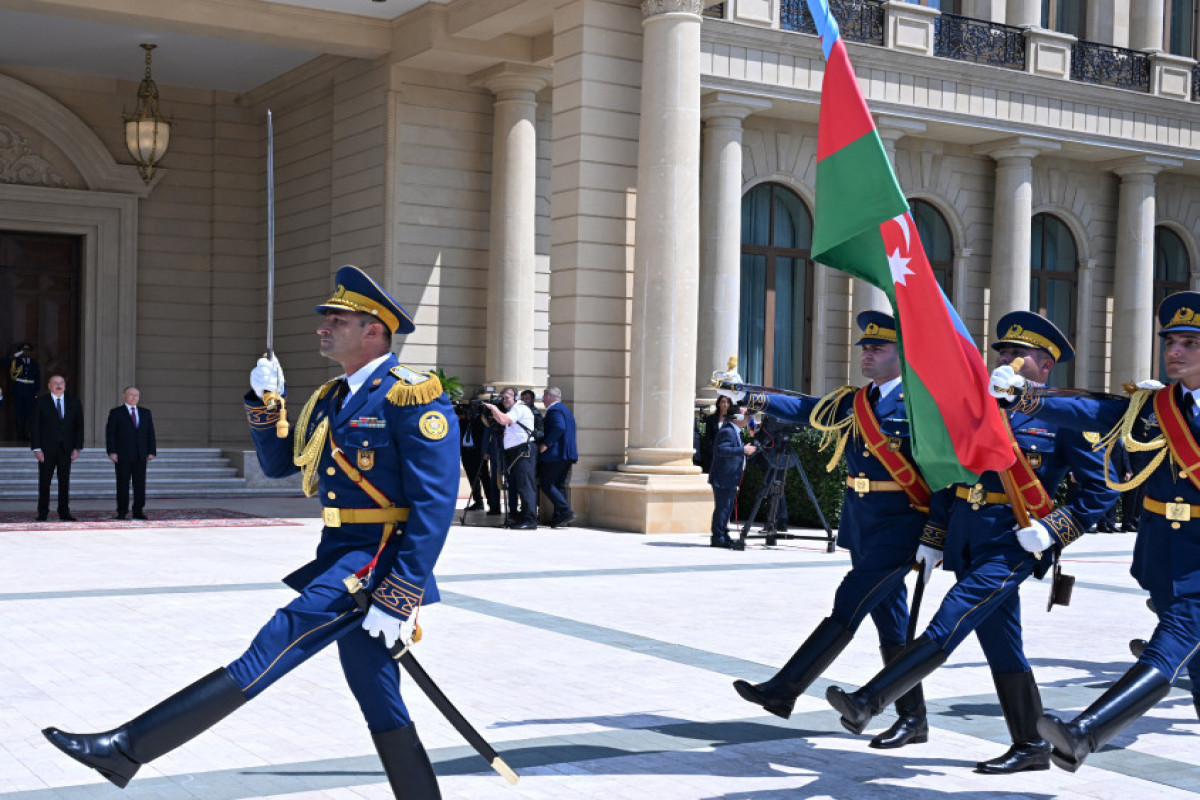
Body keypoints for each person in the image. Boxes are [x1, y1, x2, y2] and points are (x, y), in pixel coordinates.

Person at [42, 265, 459, 798]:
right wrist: (266, 406)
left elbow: (435, 502)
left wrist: (401, 595)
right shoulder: (334, 397)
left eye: (336, 318)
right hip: (342, 553)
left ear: (373, 329)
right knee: (378, 694)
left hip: (375, 561)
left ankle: (126, 749)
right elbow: (284, 464)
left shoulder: (412, 395)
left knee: (269, 649)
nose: (322, 326)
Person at [826, 311, 1117, 774]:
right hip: (968, 538)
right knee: (1003, 644)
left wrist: (1054, 529)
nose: (1006, 360)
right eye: (1003, 352)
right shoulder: (981, 407)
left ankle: (869, 700)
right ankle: (1030, 745)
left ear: (1045, 366)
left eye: (1019, 355)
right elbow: (951, 475)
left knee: (949, 621)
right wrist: (935, 536)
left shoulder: (1066, 416)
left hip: (1012, 543)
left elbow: (1102, 488)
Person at [989, 291, 1200, 772]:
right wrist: (1023, 396)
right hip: (1163, 555)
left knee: (1172, 643)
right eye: (1171, 341)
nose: (1175, 351)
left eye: (1190, 343)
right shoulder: (1154, 405)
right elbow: (1088, 410)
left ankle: (1086, 732)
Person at [727, 312, 933, 748]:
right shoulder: (859, 401)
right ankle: (913, 720)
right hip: (863, 522)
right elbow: (808, 410)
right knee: (891, 625)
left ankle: (784, 690)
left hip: (902, 524)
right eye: (865, 347)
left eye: (877, 348)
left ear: (904, 355)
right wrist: (754, 397)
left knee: (848, 604)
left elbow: (946, 471)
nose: (867, 354)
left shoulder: (922, 404)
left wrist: (937, 533)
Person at [29, 374, 83, 522]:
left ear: (65, 385)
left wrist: (77, 448)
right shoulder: (41, 402)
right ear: (49, 386)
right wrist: (36, 448)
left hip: (66, 449)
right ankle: (43, 512)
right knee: (44, 482)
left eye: (61, 382)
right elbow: (34, 427)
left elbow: (79, 427)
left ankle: (64, 512)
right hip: (46, 450)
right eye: (55, 383)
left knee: (64, 482)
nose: (59, 385)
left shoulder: (74, 402)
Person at [483, 387, 538, 529]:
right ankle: (524, 516)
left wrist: (493, 408)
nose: (504, 400)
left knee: (526, 486)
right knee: (520, 485)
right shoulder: (513, 410)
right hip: (515, 451)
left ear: (515, 398)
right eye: (503, 397)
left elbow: (503, 420)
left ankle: (530, 520)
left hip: (523, 450)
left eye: (507, 397)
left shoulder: (519, 408)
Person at [105, 386, 157, 520]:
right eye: (131, 395)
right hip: (122, 454)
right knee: (122, 484)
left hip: (141, 454)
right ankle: (122, 512)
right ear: (124, 395)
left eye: (136, 395)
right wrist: (112, 451)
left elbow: (150, 433)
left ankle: (138, 511)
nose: (134, 397)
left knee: (140, 484)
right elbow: (110, 434)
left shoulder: (146, 413)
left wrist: (152, 451)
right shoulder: (116, 412)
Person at [708, 403, 755, 548]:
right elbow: (721, 450)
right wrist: (743, 450)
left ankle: (724, 533)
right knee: (722, 508)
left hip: (730, 477)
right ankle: (718, 537)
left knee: (726, 508)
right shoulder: (727, 431)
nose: (748, 418)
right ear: (737, 417)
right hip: (723, 477)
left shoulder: (735, 431)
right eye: (746, 415)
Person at [538, 386, 578, 528]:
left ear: (549, 397)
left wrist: (546, 444)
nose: (542, 400)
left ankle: (566, 511)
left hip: (556, 455)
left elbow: (559, 427)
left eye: (543, 397)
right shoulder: (565, 410)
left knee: (546, 483)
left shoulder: (554, 410)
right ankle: (559, 516)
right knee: (558, 485)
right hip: (566, 455)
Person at [457, 402, 490, 511]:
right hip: (466, 452)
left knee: (484, 477)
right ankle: (478, 502)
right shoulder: (463, 422)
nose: (472, 409)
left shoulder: (481, 420)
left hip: (478, 453)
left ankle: (492, 502)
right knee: (472, 478)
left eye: (474, 407)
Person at [9, 342, 39, 440]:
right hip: (19, 390)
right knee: (19, 413)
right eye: (24, 351)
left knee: (28, 413)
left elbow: (37, 379)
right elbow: (4, 361)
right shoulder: (16, 362)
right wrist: (16, 354)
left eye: (28, 351)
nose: (26, 353)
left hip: (30, 391)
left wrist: (36, 392)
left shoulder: (34, 363)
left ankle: (26, 434)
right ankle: (19, 435)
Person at [700, 394, 734, 473]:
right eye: (723, 402)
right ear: (719, 403)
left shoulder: (732, 419)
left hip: (727, 454)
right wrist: (714, 451)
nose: (725, 404)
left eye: (728, 402)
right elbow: (708, 437)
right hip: (712, 455)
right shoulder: (710, 419)